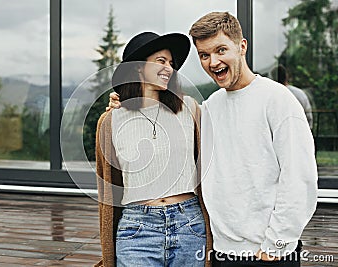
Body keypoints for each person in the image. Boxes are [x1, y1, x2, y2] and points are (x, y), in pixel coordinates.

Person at [109, 12, 318, 267]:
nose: (213, 61)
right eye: (205, 55)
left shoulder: (277, 100)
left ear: (242, 47)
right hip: (220, 250)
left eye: (221, 50)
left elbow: (299, 177)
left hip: (267, 251)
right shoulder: (208, 109)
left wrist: (277, 243)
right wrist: (123, 102)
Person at [95, 31, 212, 267]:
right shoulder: (111, 120)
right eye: (161, 61)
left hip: (189, 224)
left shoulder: (190, 109)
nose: (168, 68)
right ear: (138, 67)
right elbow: (108, 188)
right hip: (137, 228)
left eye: (171, 63)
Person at [271, 64, 313, 129]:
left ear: (273, 78)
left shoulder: (271, 95)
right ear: (286, 76)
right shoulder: (299, 94)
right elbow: (309, 117)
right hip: (299, 131)